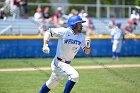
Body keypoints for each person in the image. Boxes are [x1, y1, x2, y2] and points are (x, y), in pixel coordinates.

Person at [39, 16, 91, 93]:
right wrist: (45, 45)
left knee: (50, 85)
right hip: (59, 62)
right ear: (73, 24)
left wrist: (88, 45)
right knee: (74, 76)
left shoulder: (82, 36)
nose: (82, 25)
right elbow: (48, 32)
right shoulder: (64, 31)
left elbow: (87, 52)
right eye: (79, 23)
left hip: (66, 64)